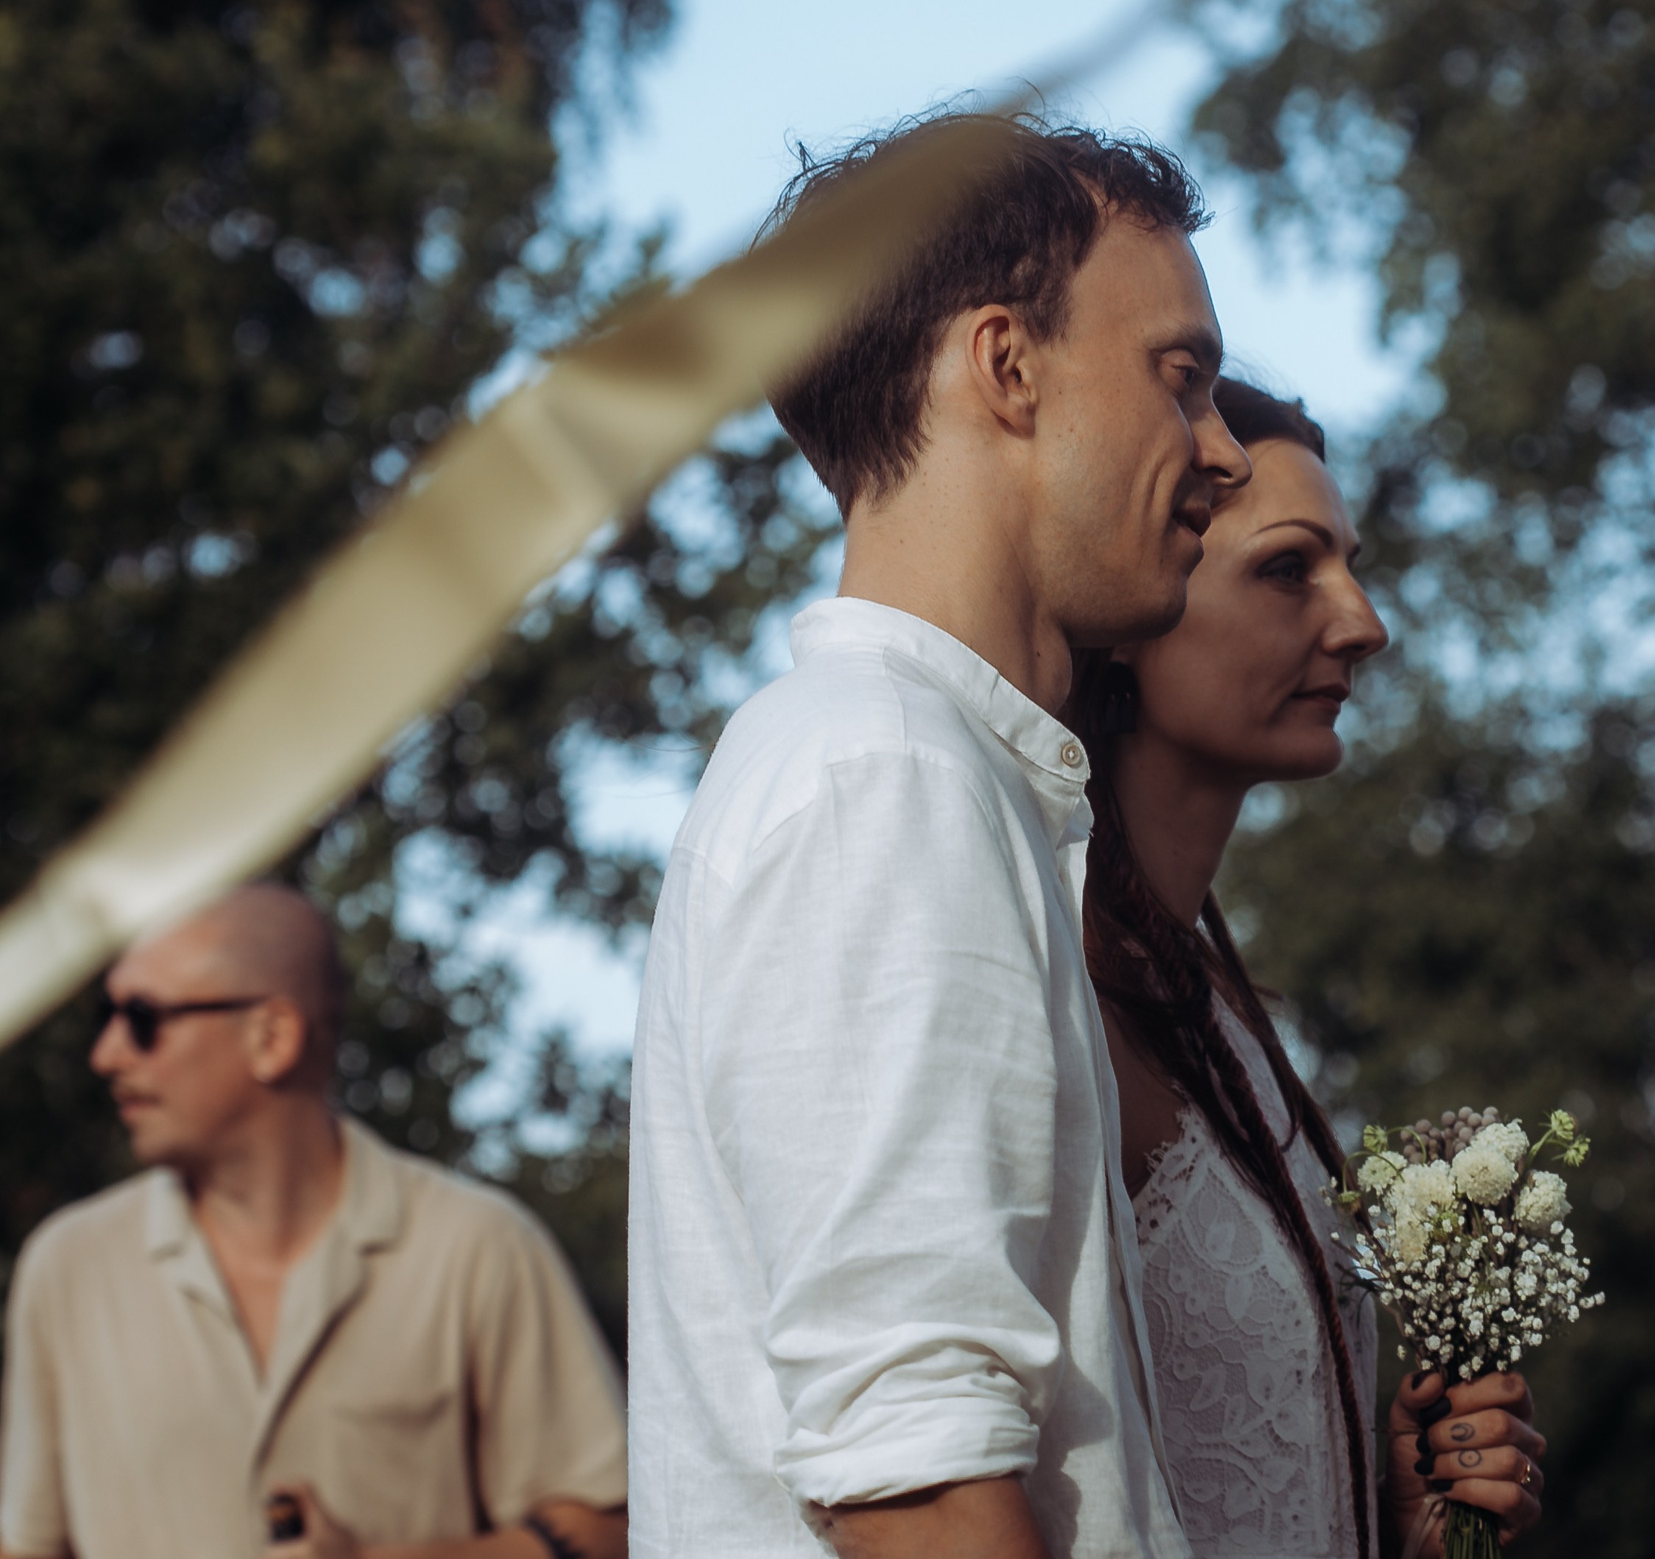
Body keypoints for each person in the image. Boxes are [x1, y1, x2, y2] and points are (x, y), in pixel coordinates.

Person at [626, 114, 1251, 1559]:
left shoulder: (921, 769)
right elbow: (916, 1484)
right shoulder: (881, 778)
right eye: (1183, 378)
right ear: (1006, 366)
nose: (1219, 450)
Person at [1070, 378, 1547, 1559]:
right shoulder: (1053, 995)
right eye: (1290, 569)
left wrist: (1394, 1522)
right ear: (1134, 597)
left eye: (1351, 565)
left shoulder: (1221, 1018)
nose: (1361, 621)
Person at [0, 884, 629, 1559]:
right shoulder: (68, 1266)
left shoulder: (478, 1246)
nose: (107, 1053)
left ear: (272, 1037)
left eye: (144, 1018)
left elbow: (609, 1531)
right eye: (107, 1015)